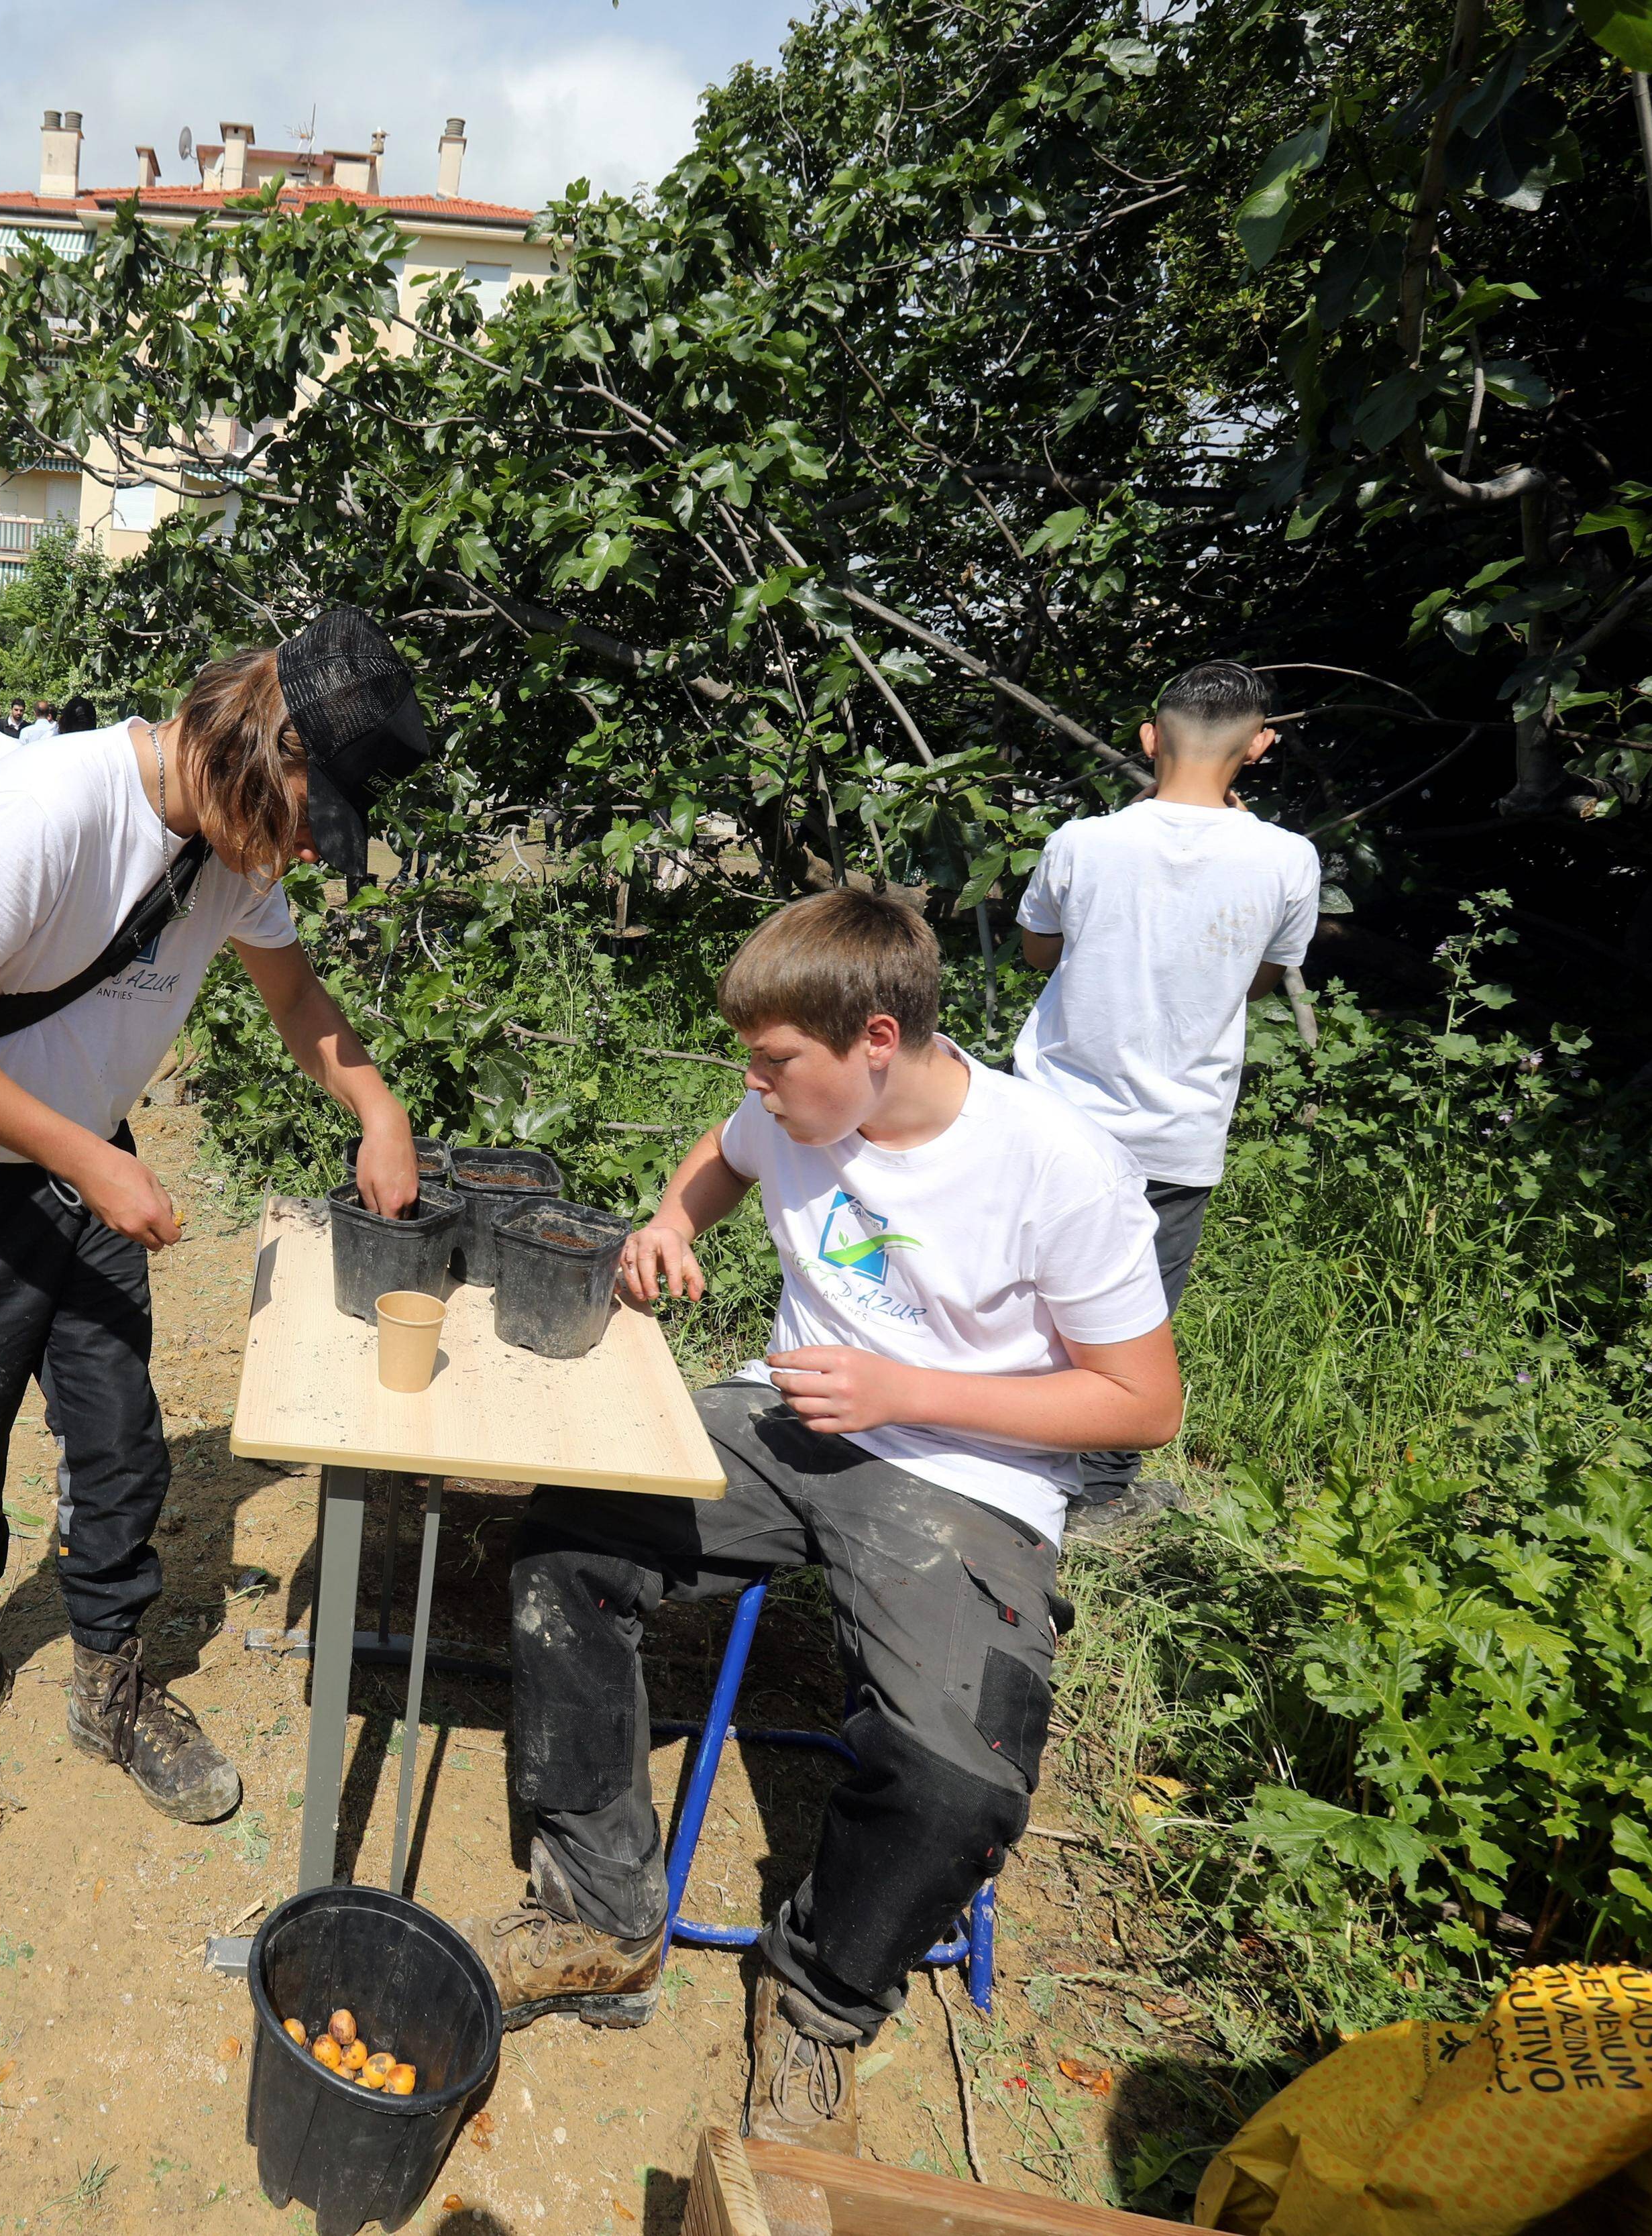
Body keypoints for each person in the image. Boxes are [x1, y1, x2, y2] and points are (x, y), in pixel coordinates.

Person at [469, 890, 1178, 2155]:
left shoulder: (1058, 1166)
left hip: (968, 1474)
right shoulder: (794, 1098)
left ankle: (819, 1999)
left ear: (880, 1040)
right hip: (786, 1419)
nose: (758, 1083)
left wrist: (906, 1391)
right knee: (566, 1540)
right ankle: (599, 1912)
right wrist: (672, 1221)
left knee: (960, 1776)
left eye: (779, 1059)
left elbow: (1144, 1400)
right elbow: (727, 1148)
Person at [0, 607, 431, 1824]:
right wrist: (90, 1158)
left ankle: (109, 1679)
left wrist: (376, 1103)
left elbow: (297, 995)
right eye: (307, 822)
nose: (305, 857)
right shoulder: (47, 811)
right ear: (260, 752)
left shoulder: (234, 847)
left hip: (84, 1171)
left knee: (121, 1438)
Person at [1011, 659, 1319, 1526]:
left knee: (1021, 1286)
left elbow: (1040, 953)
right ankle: (1101, 1495)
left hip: (1052, 1119)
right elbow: (1260, 983)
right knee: (1136, 1312)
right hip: (1177, 1135)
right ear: (1259, 747)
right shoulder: (1288, 859)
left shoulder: (1082, 842)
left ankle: (993, 1453)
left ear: (1150, 738)